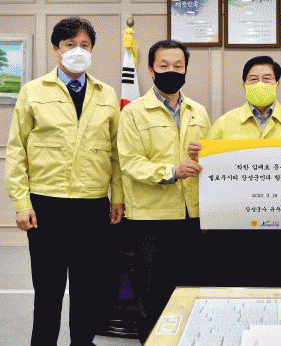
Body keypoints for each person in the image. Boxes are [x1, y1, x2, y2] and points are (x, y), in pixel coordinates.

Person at [5, 17, 124, 346]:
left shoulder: (106, 94)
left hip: (92, 206)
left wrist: (117, 196)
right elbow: (16, 151)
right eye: (70, 45)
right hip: (47, 205)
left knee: (88, 290)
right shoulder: (33, 92)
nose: (78, 51)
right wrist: (21, 203)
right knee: (48, 291)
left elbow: (116, 153)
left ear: (92, 50)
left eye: (84, 45)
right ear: (56, 49)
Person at [117, 39, 210, 344]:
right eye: (164, 65)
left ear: (186, 70)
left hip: (191, 217)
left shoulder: (198, 112)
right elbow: (130, 162)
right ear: (150, 69)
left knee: (189, 288)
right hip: (151, 218)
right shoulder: (133, 112)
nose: (172, 71)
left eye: (178, 66)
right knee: (152, 292)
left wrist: (203, 156)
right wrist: (171, 172)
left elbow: (210, 162)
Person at [188, 55, 281, 288]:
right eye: (253, 79)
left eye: (267, 79)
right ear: (243, 84)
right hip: (235, 227)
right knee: (237, 284)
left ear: (277, 84)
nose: (260, 84)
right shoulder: (224, 123)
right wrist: (207, 212)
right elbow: (209, 174)